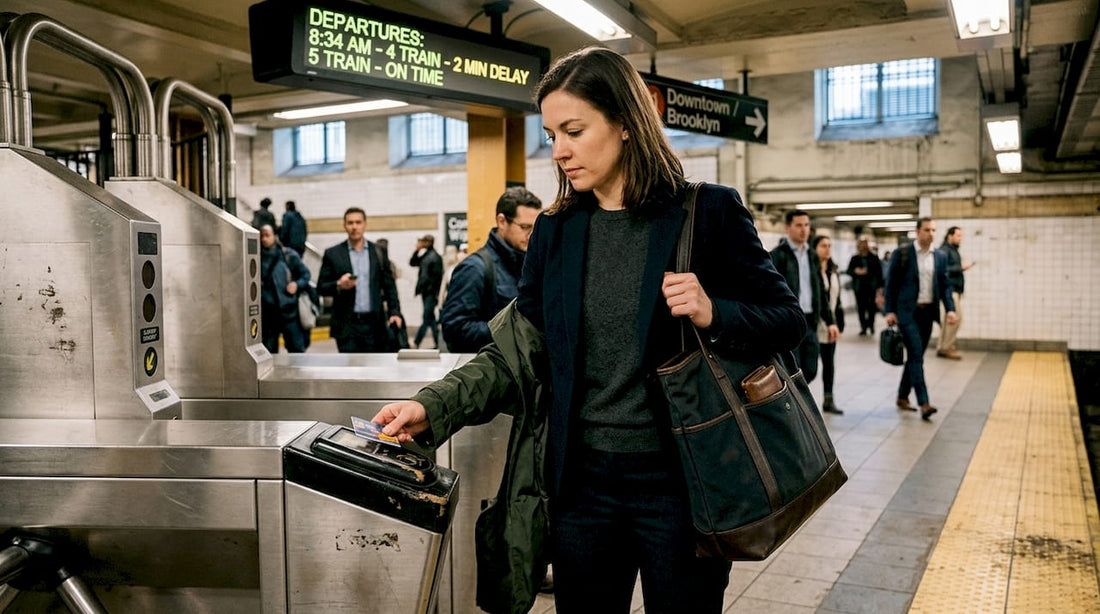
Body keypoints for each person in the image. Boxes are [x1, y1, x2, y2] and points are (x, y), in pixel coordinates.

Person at [373, 46, 804, 614]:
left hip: (683, 484)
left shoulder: (708, 214)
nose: (560, 151)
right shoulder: (556, 231)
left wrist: (714, 312)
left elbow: (788, 322)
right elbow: (516, 353)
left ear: (625, 122)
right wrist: (433, 406)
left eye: (574, 131)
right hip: (582, 488)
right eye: (551, 135)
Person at [440, 186, 542, 353]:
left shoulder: (528, 265)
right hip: (487, 364)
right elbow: (455, 330)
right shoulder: (475, 268)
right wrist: (513, 331)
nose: (532, 235)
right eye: (525, 227)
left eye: (535, 228)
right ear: (501, 221)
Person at [884, 217, 958, 421]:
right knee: (916, 354)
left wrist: (950, 309)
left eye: (933, 230)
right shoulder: (903, 253)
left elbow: (945, 285)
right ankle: (924, 403)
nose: (931, 234)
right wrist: (889, 311)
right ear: (917, 232)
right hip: (907, 313)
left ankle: (902, 396)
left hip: (928, 313)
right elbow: (891, 284)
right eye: (927, 230)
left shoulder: (940, 256)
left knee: (915, 356)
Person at [317, 207, 403, 353]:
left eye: (358, 222)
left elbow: (389, 286)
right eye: (350, 223)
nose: (354, 227)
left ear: (365, 224)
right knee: (350, 366)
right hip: (347, 326)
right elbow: (321, 287)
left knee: (374, 366)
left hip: (374, 325)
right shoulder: (333, 254)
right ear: (344, 225)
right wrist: (339, 284)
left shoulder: (378, 252)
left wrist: (395, 312)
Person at [770, 210, 838, 383]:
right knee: (793, 368)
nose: (804, 229)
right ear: (788, 228)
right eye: (799, 225)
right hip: (789, 320)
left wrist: (830, 321)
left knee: (810, 368)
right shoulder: (778, 255)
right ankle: (796, 398)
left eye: (806, 225)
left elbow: (820, 290)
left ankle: (799, 394)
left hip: (810, 321)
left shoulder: (812, 256)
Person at [258, 224, 309, 354]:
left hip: (289, 310)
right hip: (268, 312)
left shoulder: (288, 255)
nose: (264, 239)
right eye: (261, 236)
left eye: (267, 235)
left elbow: (305, 274)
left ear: (275, 236)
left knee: (296, 349)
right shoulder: (256, 257)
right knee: (269, 351)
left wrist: (296, 284)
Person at [812, 235, 844, 415]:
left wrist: (838, 322)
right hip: (815, 324)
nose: (827, 249)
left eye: (829, 245)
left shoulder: (833, 270)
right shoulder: (812, 271)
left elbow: (836, 300)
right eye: (823, 246)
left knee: (829, 364)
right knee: (810, 365)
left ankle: (828, 399)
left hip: (831, 325)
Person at [936, 226, 973, 360]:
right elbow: (942, 269)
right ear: (949, 236)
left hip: (954, 289)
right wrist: (960, 268)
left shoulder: (952, 250)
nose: (960, 238)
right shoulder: (945, 250)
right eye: (958, 235)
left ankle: (942, 347)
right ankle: (946, 347)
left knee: (948, 320)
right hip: (950, 290)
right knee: (956, 319)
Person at [409, 234, 444, 349]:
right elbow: (412, 262)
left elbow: (437, 278)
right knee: (431, 318)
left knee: (426, 317)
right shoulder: (426, 255)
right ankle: (438, 343)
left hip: (430, 293)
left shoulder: (434, 257)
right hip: (426, 292)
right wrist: (416, 250)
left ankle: (417, 341)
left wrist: (436, 294)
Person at [846, 237, 884, 336]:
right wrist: (856, 271)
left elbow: (879, 272)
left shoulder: (874, 257)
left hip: (871, 287)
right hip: (859, 287)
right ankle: (863, 327)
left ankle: (871, 325)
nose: (863, 246)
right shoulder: (855, 258)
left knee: (871, 308)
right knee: (861, 308)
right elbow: (848, 270)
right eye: (861, 244)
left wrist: (880, 287)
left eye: (864, 244)